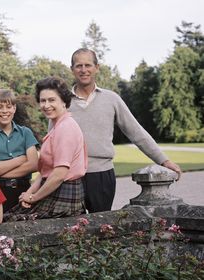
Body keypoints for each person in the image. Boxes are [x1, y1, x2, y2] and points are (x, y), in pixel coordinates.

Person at [68, 48, 182, 213]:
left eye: (88, 65)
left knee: (101, 228)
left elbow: (136, 132)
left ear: (97, 67)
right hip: (70, 176)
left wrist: (164, 161)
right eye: (79, 66)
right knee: (71, 229)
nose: (83, 70)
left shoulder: (111, 99)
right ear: (72, 69)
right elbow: (52, 141)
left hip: (101, 174)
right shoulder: (63, 101)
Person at [5, 76, 87, 221]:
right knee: (9, 219)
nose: (46, 105)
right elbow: (45, 173)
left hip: (63, 194)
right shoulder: (57, 126)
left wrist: (33, 197)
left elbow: (59, 174)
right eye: (43, 101)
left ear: (64, 102)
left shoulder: (66, 128)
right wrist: (28, 194)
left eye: (52, 100)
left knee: (10, 223)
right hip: (53, 190)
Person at [0, 89, 39, 212]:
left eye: (8, 107)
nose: (5, 111)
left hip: (23, 190)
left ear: (14, 109)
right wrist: (20, 159)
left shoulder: (25, 133)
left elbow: (34, 164)